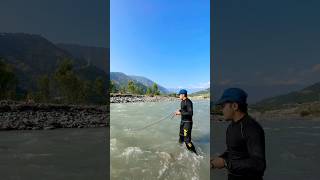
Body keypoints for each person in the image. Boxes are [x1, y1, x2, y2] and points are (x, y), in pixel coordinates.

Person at [211, 88, 266, 180]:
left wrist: (225, 163)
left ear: (235, 106)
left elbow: (259, 164)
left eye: (223, 106)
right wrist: (219, 159)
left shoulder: (252, 128)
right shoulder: (231, 127)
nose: (221, 110)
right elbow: (233, 151)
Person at [175, 89, 198, 155]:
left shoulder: (188, 102)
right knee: (181, 136)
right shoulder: (182, 101)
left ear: (183, 95)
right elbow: (183, 109)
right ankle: (179, 150)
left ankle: (196, 155)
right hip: (182, 122)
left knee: (187, 141)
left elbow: (190, 113)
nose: (179, 96)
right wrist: (179, 111)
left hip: (187, 123)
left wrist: (180, 113)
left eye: (179, 95)